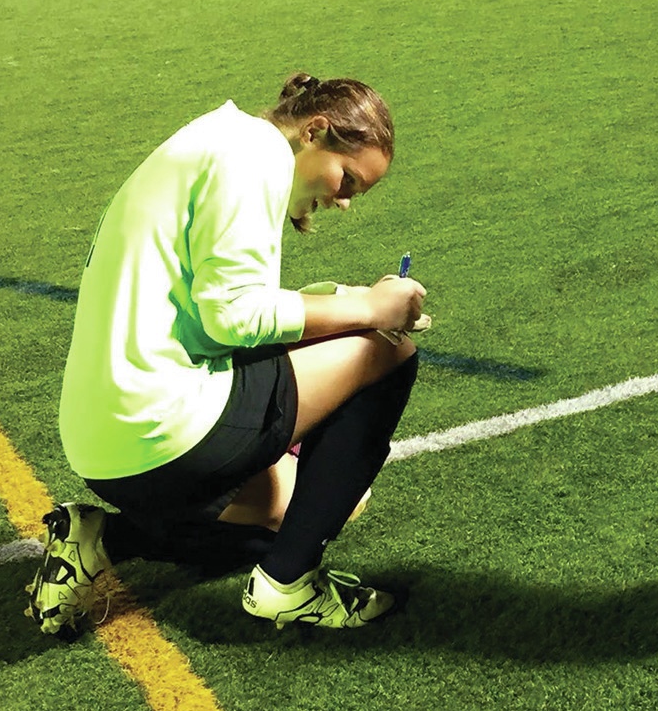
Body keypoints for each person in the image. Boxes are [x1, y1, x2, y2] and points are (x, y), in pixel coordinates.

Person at [27, 74, 429, 638]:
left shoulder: (218, 140)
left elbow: (205, 318)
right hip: (163, 426)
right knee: (388, 350)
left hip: (105, 445)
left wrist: (334, 302)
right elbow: (234, 318)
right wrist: (369, 309)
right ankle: (288, 585)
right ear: (315, 131)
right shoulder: (254, 158)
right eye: (347, 180)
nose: (341, 201)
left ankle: (100, 537)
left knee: (325, 506)